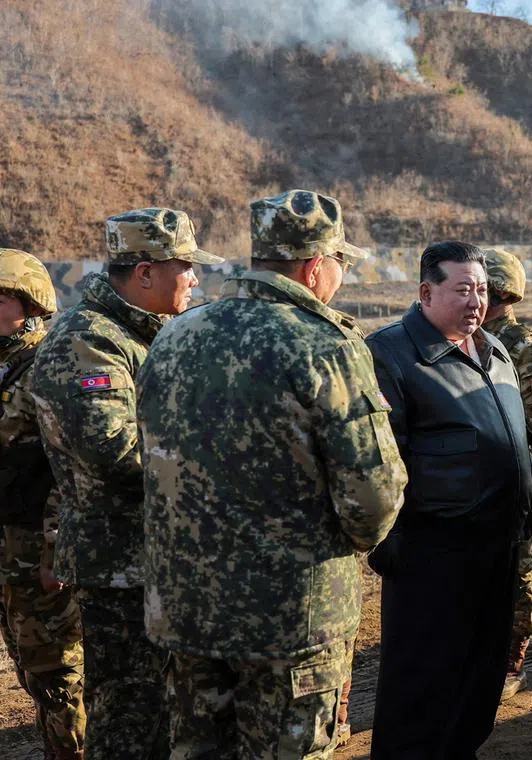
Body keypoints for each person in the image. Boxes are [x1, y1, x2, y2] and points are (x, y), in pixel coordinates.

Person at [136, 190, 407, 758]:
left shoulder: (176, 334)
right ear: (315, 267)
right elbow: (372, 496)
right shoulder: (324, 345)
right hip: (290, 618)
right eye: (341, 262)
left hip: (186, 608)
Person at [32, 207, 222, 759]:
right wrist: (220, 466)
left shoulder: (149, 333)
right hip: (122, 568)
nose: (195, 279)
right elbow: (113, 449)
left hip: (162, 559)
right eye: (185, 267)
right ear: (145, 273)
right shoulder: (87, 341)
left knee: (174, 714)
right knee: (131, 721)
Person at [366, 241, 532, 760]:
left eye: (482, 290)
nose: (475, 302)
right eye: (462, 290)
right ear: (426, 293)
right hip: (431, 559)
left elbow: (518, 441)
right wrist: (394, 546)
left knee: (479, 683)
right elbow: (379, 464)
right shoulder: (392, 355)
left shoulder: (495, 351)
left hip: (497, 548)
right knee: (421, 691)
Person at [0, 249, 85, 760]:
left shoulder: (49, 368)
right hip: (8, 552)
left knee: (58, 677)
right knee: (30, 669)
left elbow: (68, 469)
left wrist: (57, 552)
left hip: (39, 554)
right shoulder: (6, 367)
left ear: (31, 305)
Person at [481, 247, 532, 702]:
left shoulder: (522, 345)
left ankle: (513, 655)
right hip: (477, 474)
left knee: (518, 566)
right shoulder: (468, 337)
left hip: (514, 475)